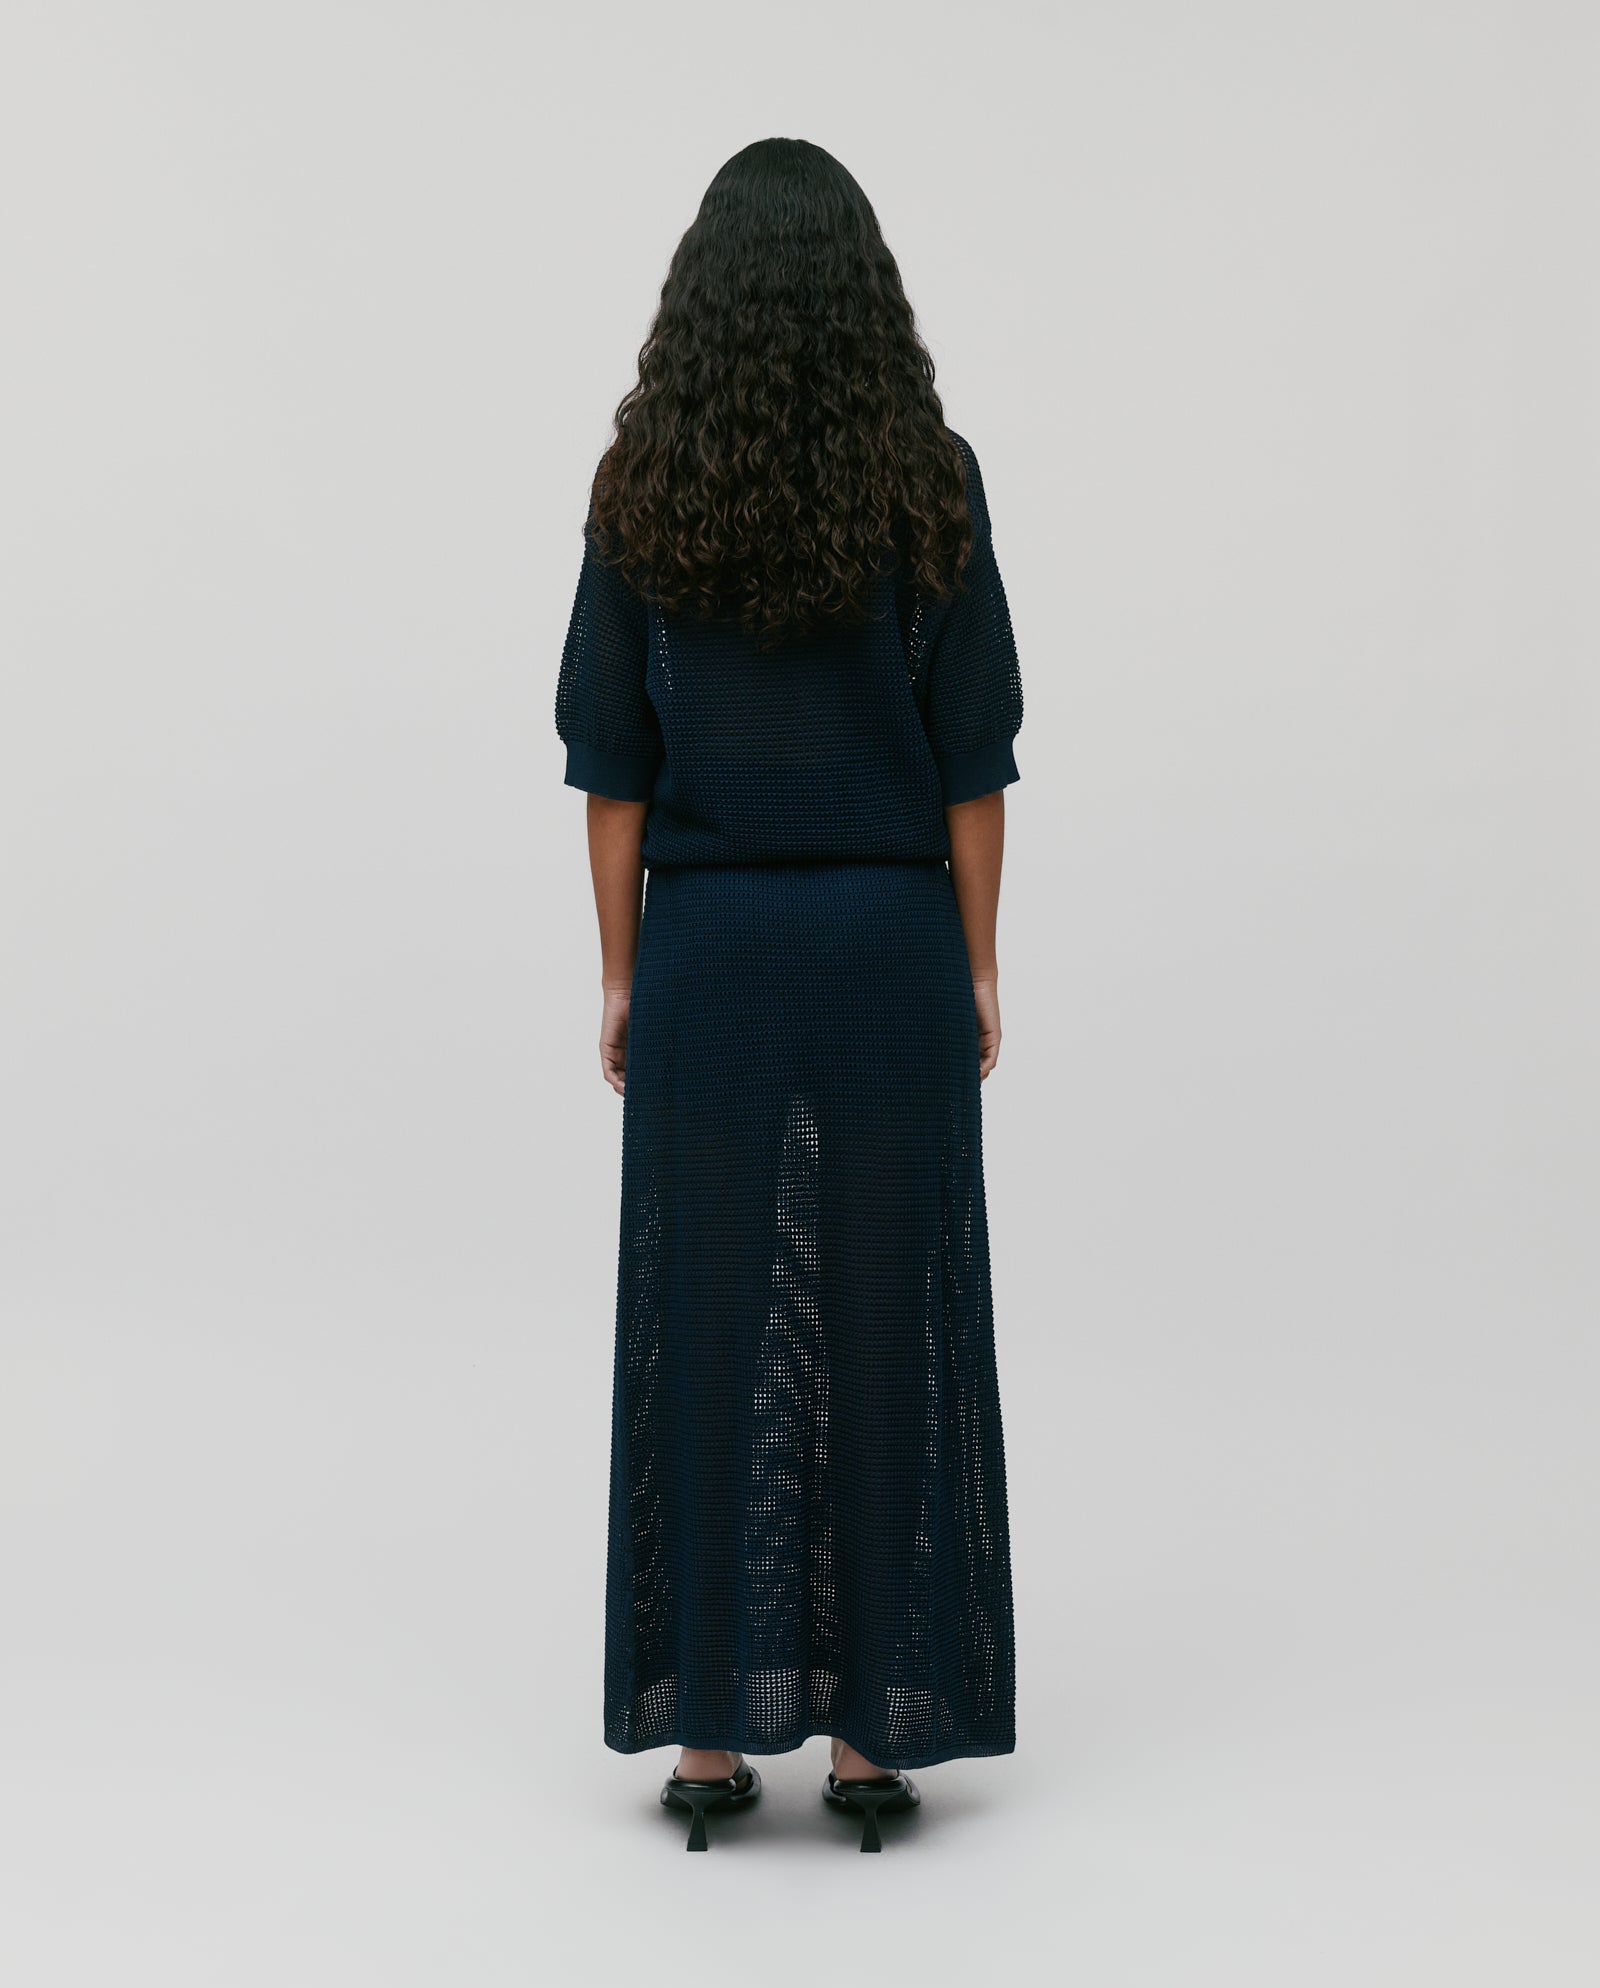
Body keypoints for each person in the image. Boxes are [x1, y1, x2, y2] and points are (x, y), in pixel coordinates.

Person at [554, 136, 1023, 1853]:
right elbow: (976, 750)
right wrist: (978, 957)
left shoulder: (645, 481)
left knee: (713, 1326)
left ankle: (702, 1739)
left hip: (713, 954)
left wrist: (618, 971)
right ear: (866, 296)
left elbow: (612, 759)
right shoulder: (933, 474)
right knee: (889, 1321)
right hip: (889, 945)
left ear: (702, 300)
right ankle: (875, 1742)